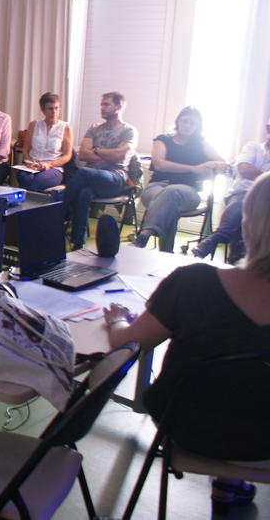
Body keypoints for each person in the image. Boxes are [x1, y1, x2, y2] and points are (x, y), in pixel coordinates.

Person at [105, 172, 270, 512]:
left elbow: (127, 345)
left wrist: (117, 318)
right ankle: (230, 482)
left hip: (193, 429)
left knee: (228, 395)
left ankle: (228, 479)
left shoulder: (194, 283)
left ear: (248, 223)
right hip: (265, 438)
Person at [131, 106, 227, 252]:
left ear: (198, 126)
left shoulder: (201, 143)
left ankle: (145, 234)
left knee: (172, 192)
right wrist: (194, 169)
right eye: (185, 121)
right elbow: (159, 164)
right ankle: (166, 253)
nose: (188, 126)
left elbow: (223, 164)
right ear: (178, 122)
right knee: (170, 203)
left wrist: (208, 165)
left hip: (188, 192)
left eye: (192, 123)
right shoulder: (163, 139)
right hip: (156, 187)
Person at [64, 92, 137, 251]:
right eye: (101, 104)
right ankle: (78, 243)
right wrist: (108, 154)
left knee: (82, 172)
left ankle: (58, 214)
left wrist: (95, 150)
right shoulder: (94, 128)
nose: (102, 108)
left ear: (118, 107)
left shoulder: (129, 131)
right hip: (92, 177)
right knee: (84, 193)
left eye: (106, 104)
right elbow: (83, 153)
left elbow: (120, 156)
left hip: (114, 178)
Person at [193, 118, 270, 263]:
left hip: (266, 200)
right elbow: (244, 169)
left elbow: (250, 171)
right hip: (241, 194)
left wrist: (258, 175)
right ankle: (236, 260)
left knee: (252, 210)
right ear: (267, 129)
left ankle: (217, 239)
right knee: (244, 205)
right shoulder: (253, 147)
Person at [16, 92, 73, 192]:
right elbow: (25, 150)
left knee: (35, 183)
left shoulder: (65, 127)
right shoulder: (34, 125)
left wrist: (49, 165)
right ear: (43, 110)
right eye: (50, 109)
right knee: (23, 178)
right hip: (32, 166)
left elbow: (67, 155)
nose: (54, 112)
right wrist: (29, 161)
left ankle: (29, 206)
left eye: (57, 108)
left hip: (53, 168)